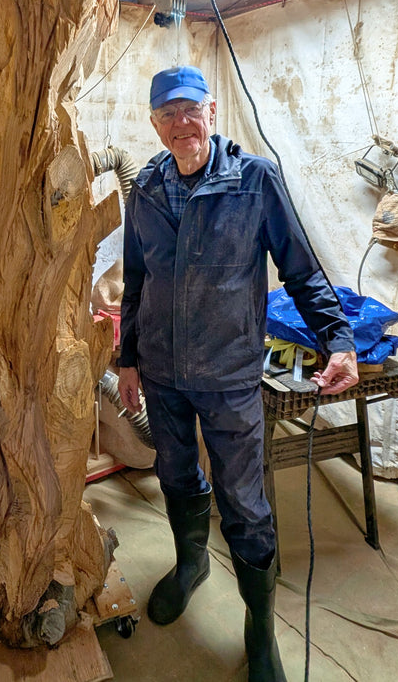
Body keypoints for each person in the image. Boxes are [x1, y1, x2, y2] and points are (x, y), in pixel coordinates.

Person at [117, 65, 358, 682]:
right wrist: (127, 361)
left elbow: (301, 270)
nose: (180, 124)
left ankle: (259, 630)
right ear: (154, 123)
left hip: (229, 376)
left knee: (245, 505)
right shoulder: (145, 187)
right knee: (175, 476)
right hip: (164, 375)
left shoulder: (254, 181)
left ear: (212, 110)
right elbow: (137, 281)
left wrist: (338, 340)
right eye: (166, 115)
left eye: (189, 109)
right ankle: (191, 563)